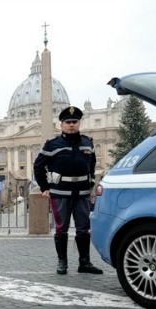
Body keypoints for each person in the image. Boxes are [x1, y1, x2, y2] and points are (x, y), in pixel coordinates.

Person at [33, 106, 103, 276]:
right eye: (68, 122)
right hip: (60, 193)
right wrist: (44, 187)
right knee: (61, 229)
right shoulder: (52, 144)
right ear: (61, 124)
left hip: (81, 193)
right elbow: (38, 166)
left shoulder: (88, 142)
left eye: (74, 122)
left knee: (84, 228)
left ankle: (84, 262)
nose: (71, 125)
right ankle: (62, 262)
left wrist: (91, 182)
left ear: (79, 123)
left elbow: (92, 164)